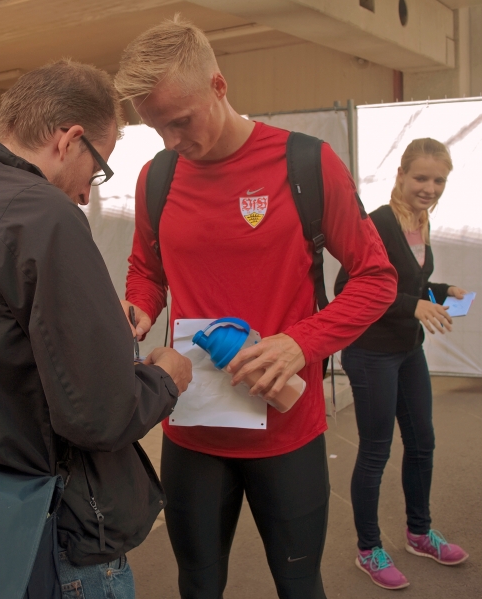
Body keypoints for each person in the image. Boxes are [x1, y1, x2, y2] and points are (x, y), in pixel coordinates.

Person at [114, 16, 398, 599]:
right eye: (155, 128)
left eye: (180, 121)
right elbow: (148, 271)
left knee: (298, 583)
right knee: (198, 584)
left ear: (218, 86)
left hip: (286, 425)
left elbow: (376, 278)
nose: (171, 140)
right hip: (192, 425)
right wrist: (138, 307)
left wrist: (302, 342)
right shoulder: (157, 176)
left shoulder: (307, 165)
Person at [0, 59, 192, 599]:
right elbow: (101, 414)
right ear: (69, 140)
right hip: (56, 532)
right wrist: (165, 379)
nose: (86, 191)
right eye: (97, 168)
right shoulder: (45, 215)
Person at [335, 138, 469, 591]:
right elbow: (348, 288)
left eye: (439, 180)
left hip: (408, 349)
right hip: (371, 352)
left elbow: (408, 282)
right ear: (400, 175)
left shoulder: (421, 221)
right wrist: (413, 303)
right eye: (422, 178)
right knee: (375, 452)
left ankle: (418, 533)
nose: (430, 188)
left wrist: (440, 290)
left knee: (423, 444)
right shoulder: (376, 223)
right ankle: (368, 549)